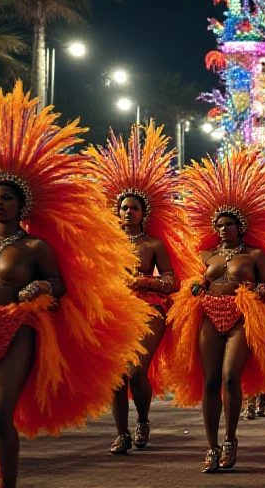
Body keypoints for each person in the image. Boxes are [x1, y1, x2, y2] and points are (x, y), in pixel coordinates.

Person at [0, 83, 151, 487]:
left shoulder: (35, 246)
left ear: (21, 204)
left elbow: (59, 284)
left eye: (7, 197)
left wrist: (40, 291)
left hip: (20, 328)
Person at [166, 149, 265, 473]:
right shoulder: (206, 255)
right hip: (209, 315)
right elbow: (193, 281)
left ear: (240, 226)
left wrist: (260, 291)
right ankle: (211, 447)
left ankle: (230, 439)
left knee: (231, 377)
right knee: (211, 380)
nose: (223, 229)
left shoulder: (255, 254)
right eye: (219, 224)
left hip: (243, 317)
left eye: (229, 224)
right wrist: (196, 288)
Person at [86, 122, 197, 454]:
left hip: (149, 310)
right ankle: (121, 432)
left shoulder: (153, 244)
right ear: (116, 212)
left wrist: (144, 280)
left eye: (134, 207)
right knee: (117, 376)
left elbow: (172, 282)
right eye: (123, 207)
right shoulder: (105, 242)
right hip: (115, 309)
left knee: (136, 372)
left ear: (143, 212)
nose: (128, 212)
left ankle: (144, 421)